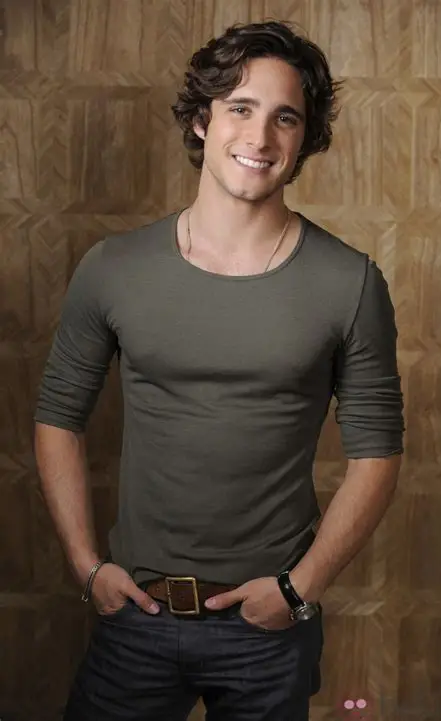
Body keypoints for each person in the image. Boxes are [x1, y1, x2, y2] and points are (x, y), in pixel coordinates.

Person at [34, 19, 405, 721]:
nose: (260, 137)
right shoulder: (114, 267)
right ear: (202, 119)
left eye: (285, 117)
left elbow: (378, 453)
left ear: (305, 139)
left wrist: (301, 588)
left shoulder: (349, 282)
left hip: (270, 625)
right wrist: (86, 565)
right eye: (240, 107)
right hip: (135, 614)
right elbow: (58, 415)